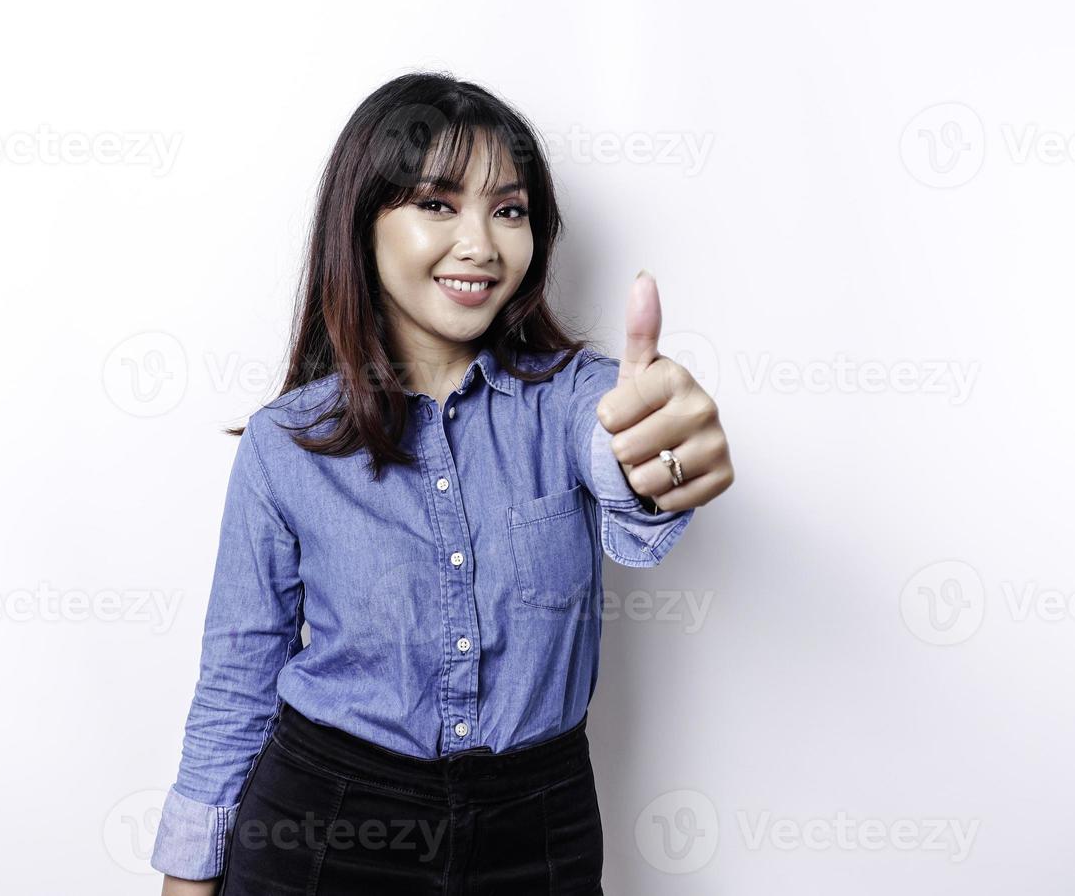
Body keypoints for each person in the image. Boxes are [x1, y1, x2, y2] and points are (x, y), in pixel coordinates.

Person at [152, 72, 734, 895]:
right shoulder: (285, 445)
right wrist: (187, 879)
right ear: (365, 223)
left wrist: (657, 459)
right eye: (436, 204)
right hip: (324, 826)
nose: (481, 244)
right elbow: (236, 680)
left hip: (538, 828)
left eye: (509, 210)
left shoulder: (573, 397)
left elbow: (618, 446)